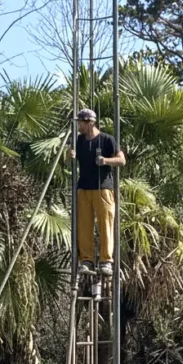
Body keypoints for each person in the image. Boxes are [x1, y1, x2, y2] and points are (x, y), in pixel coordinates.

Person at [71, 107, 125, 275]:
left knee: (106, 224)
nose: (79, 126)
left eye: (81, 123)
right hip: (84, 188)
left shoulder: (107, 139)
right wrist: (69, 154)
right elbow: (69, 155)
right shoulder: (78, 140)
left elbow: (122, 160)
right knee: (84, 226)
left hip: (103, 188)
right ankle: (86, 260)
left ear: (90, 123)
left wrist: (106, 161)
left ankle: (106, 261)